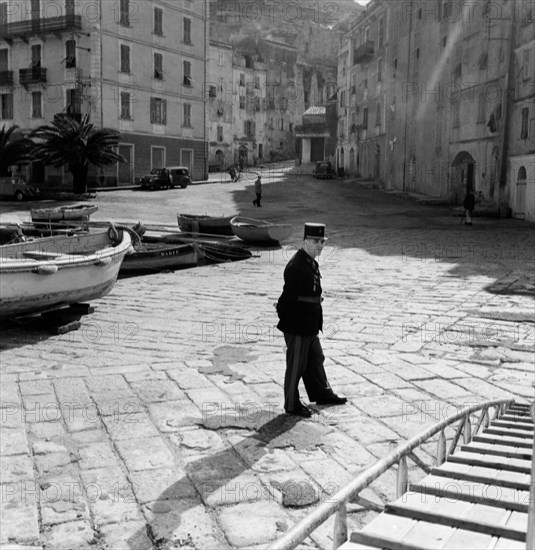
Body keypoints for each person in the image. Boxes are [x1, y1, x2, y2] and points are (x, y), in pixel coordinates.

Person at [276, 223, 347, 417]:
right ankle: (291, 404)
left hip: (310, 323)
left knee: (316, 359)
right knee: (296, 365)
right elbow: (285, 301)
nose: (319, 246)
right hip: (298, 325)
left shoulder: (309, 261)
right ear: (305, 241)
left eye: (322, 242)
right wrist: (289, 322)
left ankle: (322, 393)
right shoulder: (297, 265)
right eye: (315, 241)